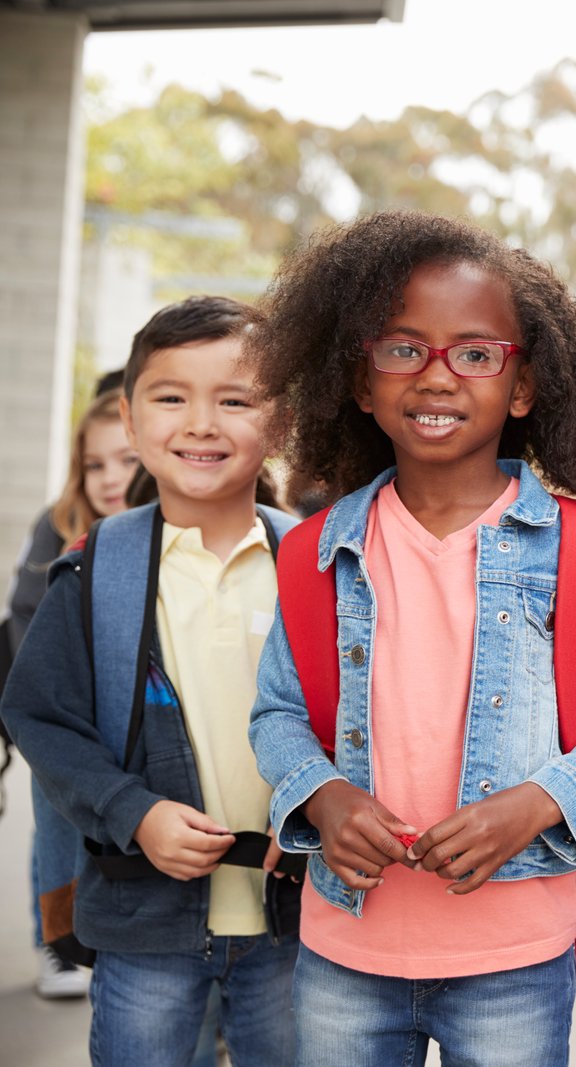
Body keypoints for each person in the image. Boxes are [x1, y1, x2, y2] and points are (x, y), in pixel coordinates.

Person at [245, 210, 576, 1067]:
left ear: (523, 386)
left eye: (475, 353)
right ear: (360, 380)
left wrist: (539, 802)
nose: (437, 376)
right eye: (403, 349)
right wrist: (323, 796)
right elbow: (277, 712)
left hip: (515, 957)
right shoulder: (317, 551)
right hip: (347, 950)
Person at [1, 296, 300, 1066]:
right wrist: (133, 813)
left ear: (281, 423)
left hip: (296, 926)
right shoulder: (94, 570)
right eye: (171, 398)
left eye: (235, 400)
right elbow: (42, 717)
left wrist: (320, 810)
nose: (201, 423)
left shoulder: (316, 566)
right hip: (144, 925)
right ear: (130, 424)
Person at [4, 390, 139, 999]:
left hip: (141, 720)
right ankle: (57, 942)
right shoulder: (58, 526)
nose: (109, 478)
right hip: (70, 715)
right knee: (57, 817)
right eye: (94, 465)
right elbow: (25, 617)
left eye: (126, 461)